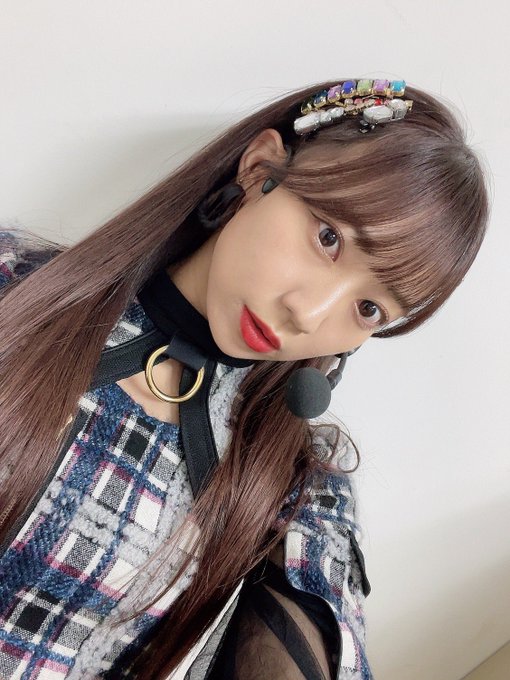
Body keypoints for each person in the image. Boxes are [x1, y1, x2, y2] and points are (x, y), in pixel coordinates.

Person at [0, 77, 489, 680]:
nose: (308, 315)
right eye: (328, 238)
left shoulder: (296, 480)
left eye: (368, 309)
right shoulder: (15, 287)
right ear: (260, 170)